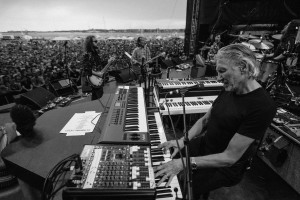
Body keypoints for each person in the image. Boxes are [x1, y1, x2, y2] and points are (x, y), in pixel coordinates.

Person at [154, 44, 277, 199]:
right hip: (206, 145)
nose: (218, 78)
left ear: (243, 67)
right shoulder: (230, 88)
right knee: (165, 157)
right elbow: (205, 120)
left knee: (179, 185)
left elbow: (229, 157)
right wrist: (181, 141)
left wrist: (184, 163)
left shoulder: (262, 106)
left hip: (226, 166)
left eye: (222, 71)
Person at [81, 35, 115, 100]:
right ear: (90, 43)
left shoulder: (95, 53)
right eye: (95, 41)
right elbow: (86, 69)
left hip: (97, 78)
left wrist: (108, 61)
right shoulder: (87, 54)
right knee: (98, 96)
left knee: (96, 97)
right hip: (94, 78)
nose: (97, 42)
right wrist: (98, 74)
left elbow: (99, 63)